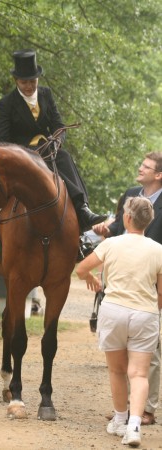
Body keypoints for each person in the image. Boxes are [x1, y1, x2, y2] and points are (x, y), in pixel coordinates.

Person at [76, 196, 162, 447]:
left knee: (116, 370)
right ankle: (135, 425)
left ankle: (120, 419)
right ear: (150, 220)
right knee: (139, 374)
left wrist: (92, 278)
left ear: (126, 218)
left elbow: (81, 269)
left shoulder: (111, 244)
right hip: (145, 314)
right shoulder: (158, 250)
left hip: (113, 311)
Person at [0, 49, 106, 233]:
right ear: (16, 81)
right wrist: (24, 152)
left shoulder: (46, 94)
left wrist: (57, 140)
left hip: (49, 149)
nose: (30, 86)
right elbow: (1, 140)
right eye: (24, 82)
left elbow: (58, 125)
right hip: (22, 154)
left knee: (64, 157)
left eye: (33, 81)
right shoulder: (6, 103)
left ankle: (82, 209)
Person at [93, 151, 162, 426]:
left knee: (151, 352)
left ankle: (146, 408)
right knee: (121, 353)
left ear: (158, 174)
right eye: (141, 164)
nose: (140, 168)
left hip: (152, 281)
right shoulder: (131, 192)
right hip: (121, 282)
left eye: (146, 166)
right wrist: (104, 230)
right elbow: (121, 227)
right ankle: (127, 410)